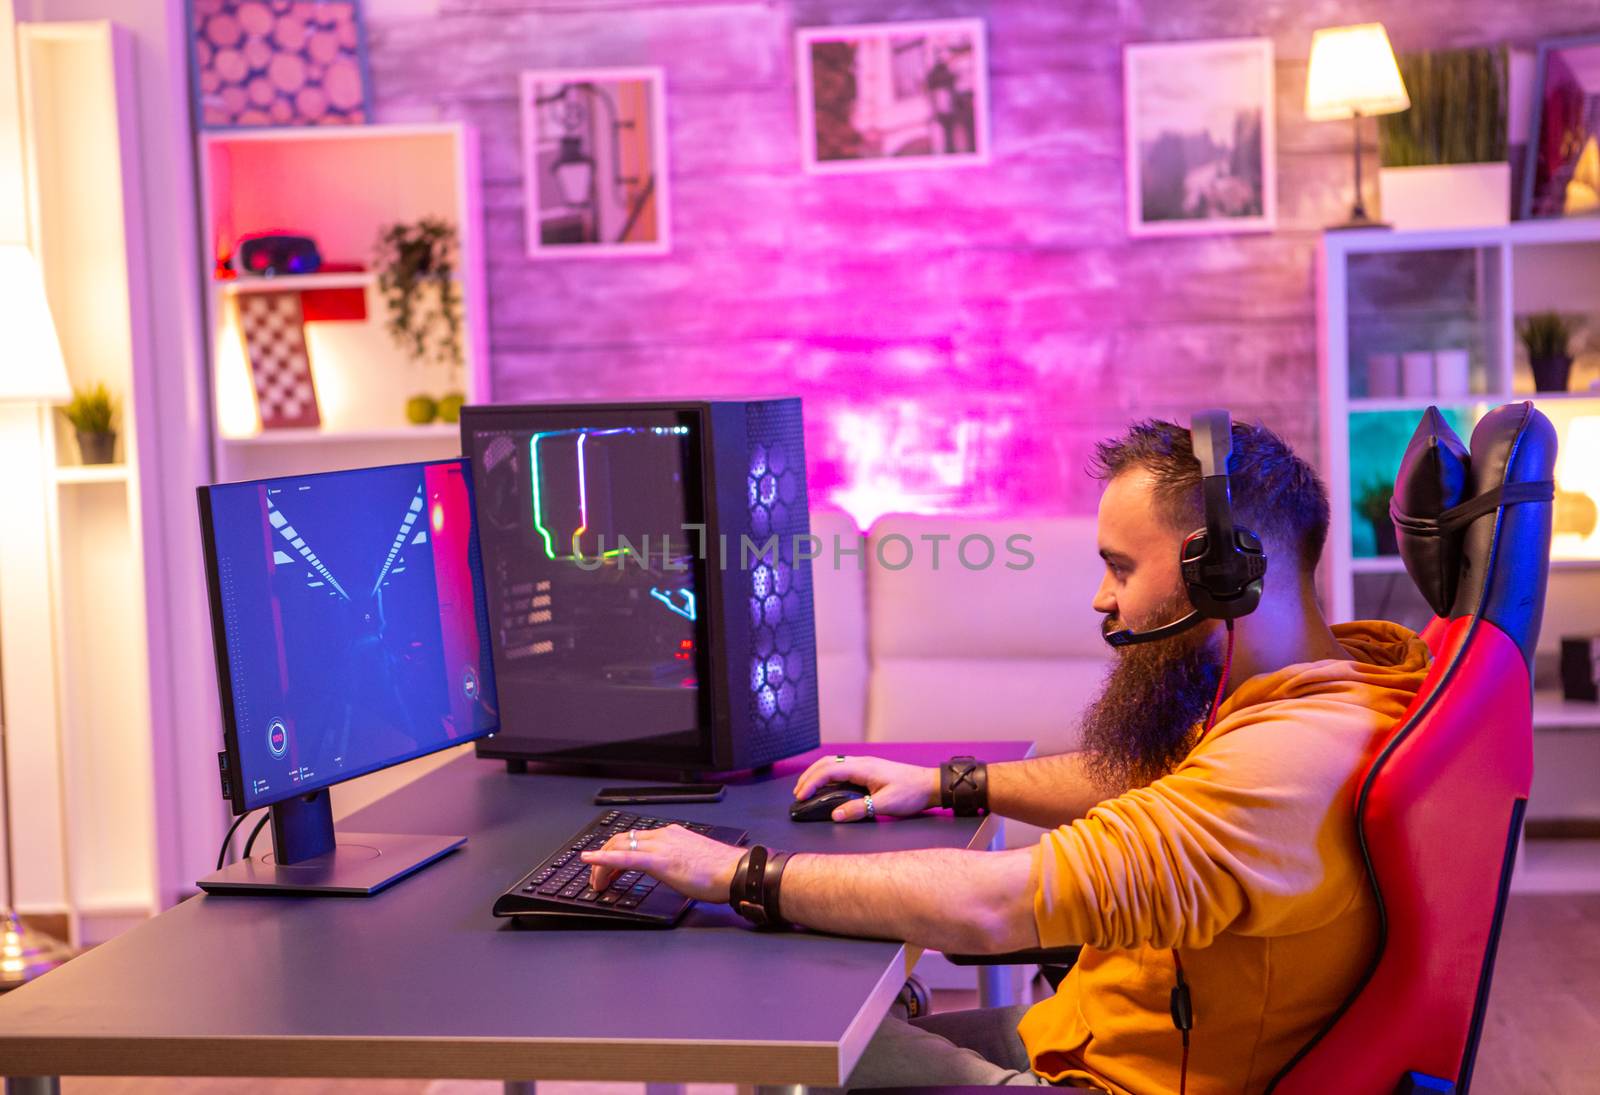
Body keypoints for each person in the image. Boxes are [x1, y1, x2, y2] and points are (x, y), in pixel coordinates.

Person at [581, 418, 1430, 1094]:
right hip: (1103, 1033)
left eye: (1120, 567)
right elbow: (1154, 780)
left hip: (1125, 1079)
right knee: (836, 1027)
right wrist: (952, 782)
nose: (1101, 597)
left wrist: (738, 872)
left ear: (1227, 576)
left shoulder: (1287, 766)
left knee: (789, 1056)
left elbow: (994, 903)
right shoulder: (1316, 682)